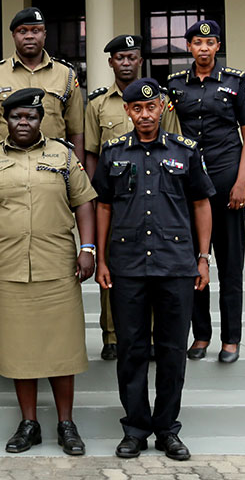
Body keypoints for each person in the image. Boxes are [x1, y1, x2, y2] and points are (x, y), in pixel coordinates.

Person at [92, 78, 214, 461]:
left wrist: (203, 258)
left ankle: (166, 430)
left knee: (172, 350)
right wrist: (101, 260)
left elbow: (200, 204)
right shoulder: (113, 154)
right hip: (128, 266)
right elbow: (104, 206)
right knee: (131, 349)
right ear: (127, 112)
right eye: (137, 108)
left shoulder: (186, 151)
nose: (145, 114)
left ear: (162, 108)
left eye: (151, 107)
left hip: (176, 264)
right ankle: (135, 428)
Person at [0, 88, 96, 456]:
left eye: (30, 116)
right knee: (20, 351)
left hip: (57, 266)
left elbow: (84, 203)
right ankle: (29, 423)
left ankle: (66, 423)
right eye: (15, 117)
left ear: (40, 119)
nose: (23, 122)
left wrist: (88, 248)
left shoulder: (62, 154)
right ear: (5, 120)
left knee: (63, 349)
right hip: (8, 268)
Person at [84, 34, 182, 361]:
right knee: (112, 263)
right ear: (110, 62)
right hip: (117, 201)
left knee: (154, 265)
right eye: (119, 58)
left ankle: (152, 336)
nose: (126, 62)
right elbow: (92, 155)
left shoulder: (160, 100)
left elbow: (174, 147)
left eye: (131, 57)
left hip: (157, 197)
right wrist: (96, 198)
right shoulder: (97, 104)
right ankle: (112, 335)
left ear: (140, 60)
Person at [168, 20, 245, 364]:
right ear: (188, 46)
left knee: (230, 264)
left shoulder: (236, 82)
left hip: (226, 183)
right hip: (189, 188)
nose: (203, 48)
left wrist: (242, 181)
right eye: (196, 42)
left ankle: (231, 338)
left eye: (209, 42)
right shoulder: (175, 85)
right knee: (193, 262)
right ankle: (201, 334)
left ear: (217, 46)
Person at [0, 7, 84, 162]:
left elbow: (76, 132)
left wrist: (76, 173)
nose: (29, 36)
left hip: (54, 166)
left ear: (45, 35)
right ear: (14, 36)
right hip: (7, 167)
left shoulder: (66, 75)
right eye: (22, 31)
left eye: (36, 31)